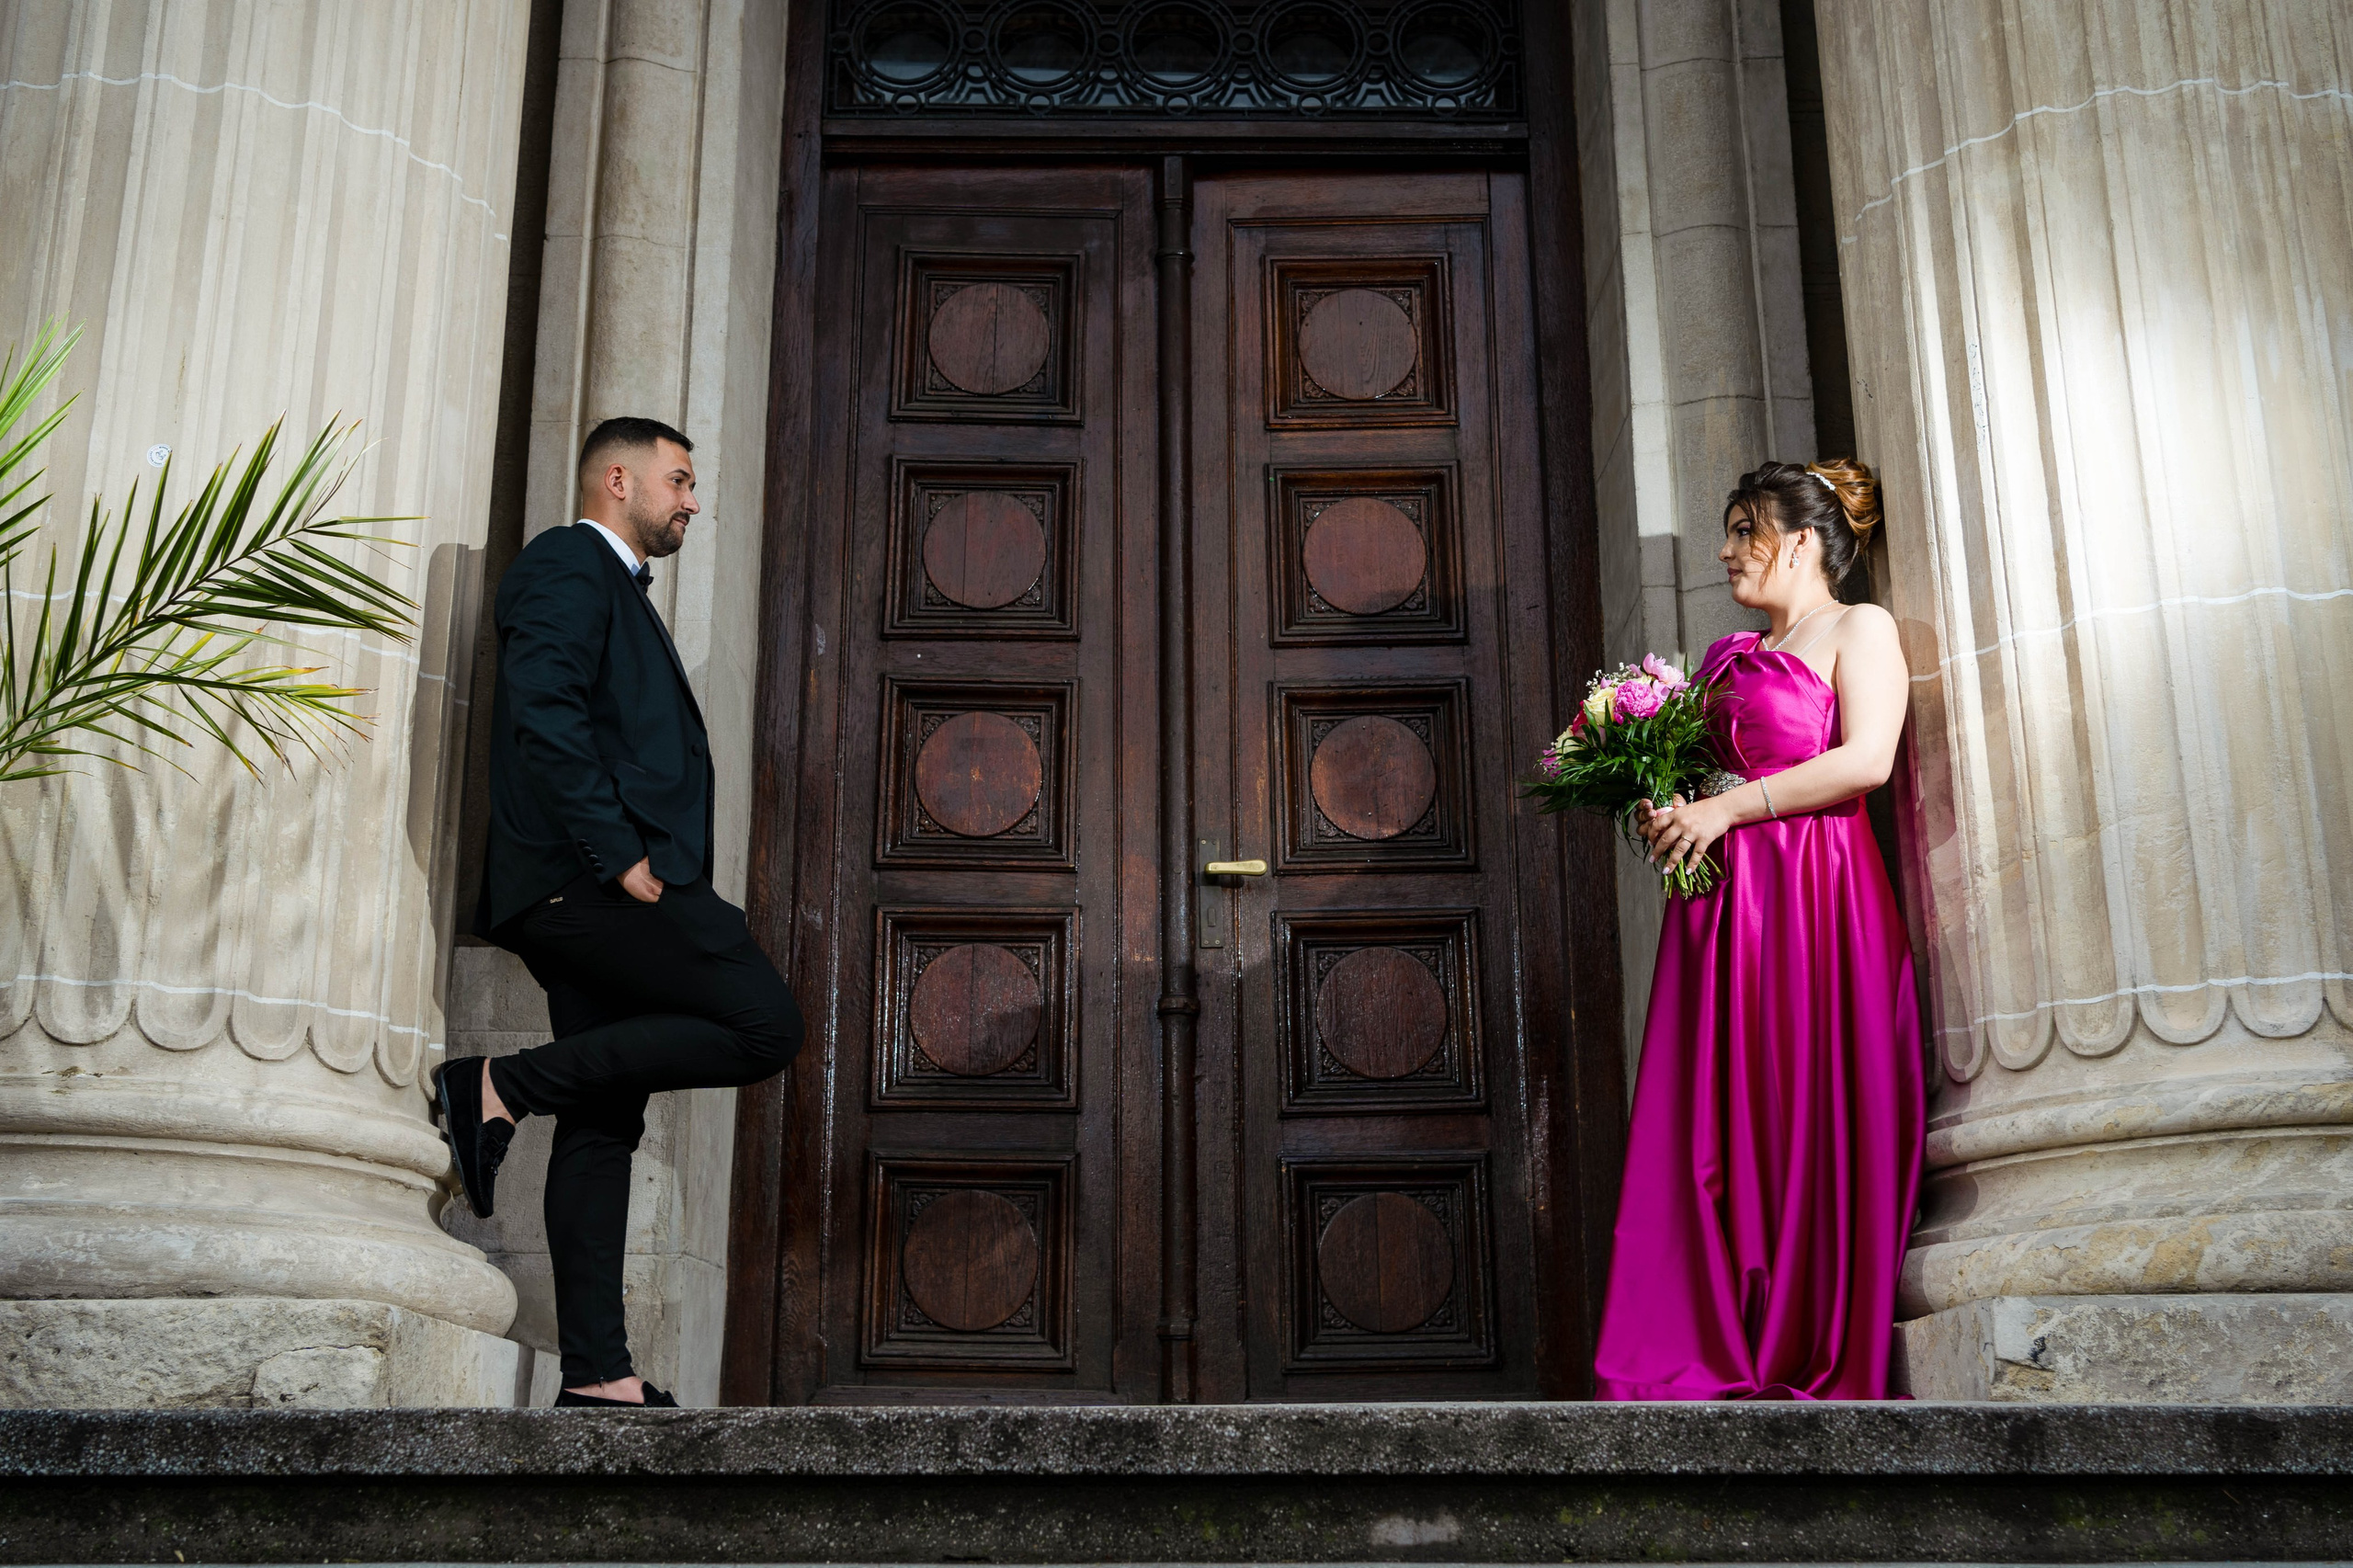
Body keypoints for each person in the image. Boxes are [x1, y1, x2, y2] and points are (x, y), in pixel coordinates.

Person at [437, 416, 802, 1408]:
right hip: (591, 880)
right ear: (616, 477)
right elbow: (541, 706)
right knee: (764, 1022)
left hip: (593, 880)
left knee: (601, 1124)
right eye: (677, 479)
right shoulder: (565, 561)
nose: (691, 500)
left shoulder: (614, 589)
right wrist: (622, 854)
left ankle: (597, 1370)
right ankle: (496, 1082)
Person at [1591, 458, 1922, 1400]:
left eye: (1746, 529)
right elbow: (1709, 784)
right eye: (1730, 529)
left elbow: (1867, 758)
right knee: (1715, 1121)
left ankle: (1798, 1331)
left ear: (1806, 539)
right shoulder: (1726, 657)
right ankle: (1706, 1337)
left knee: (1802, 1098)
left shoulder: (1859, 627)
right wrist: (1677, 808)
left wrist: (1732, 811)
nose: (1728, 548)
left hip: (1818, 899)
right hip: (1724, 914)